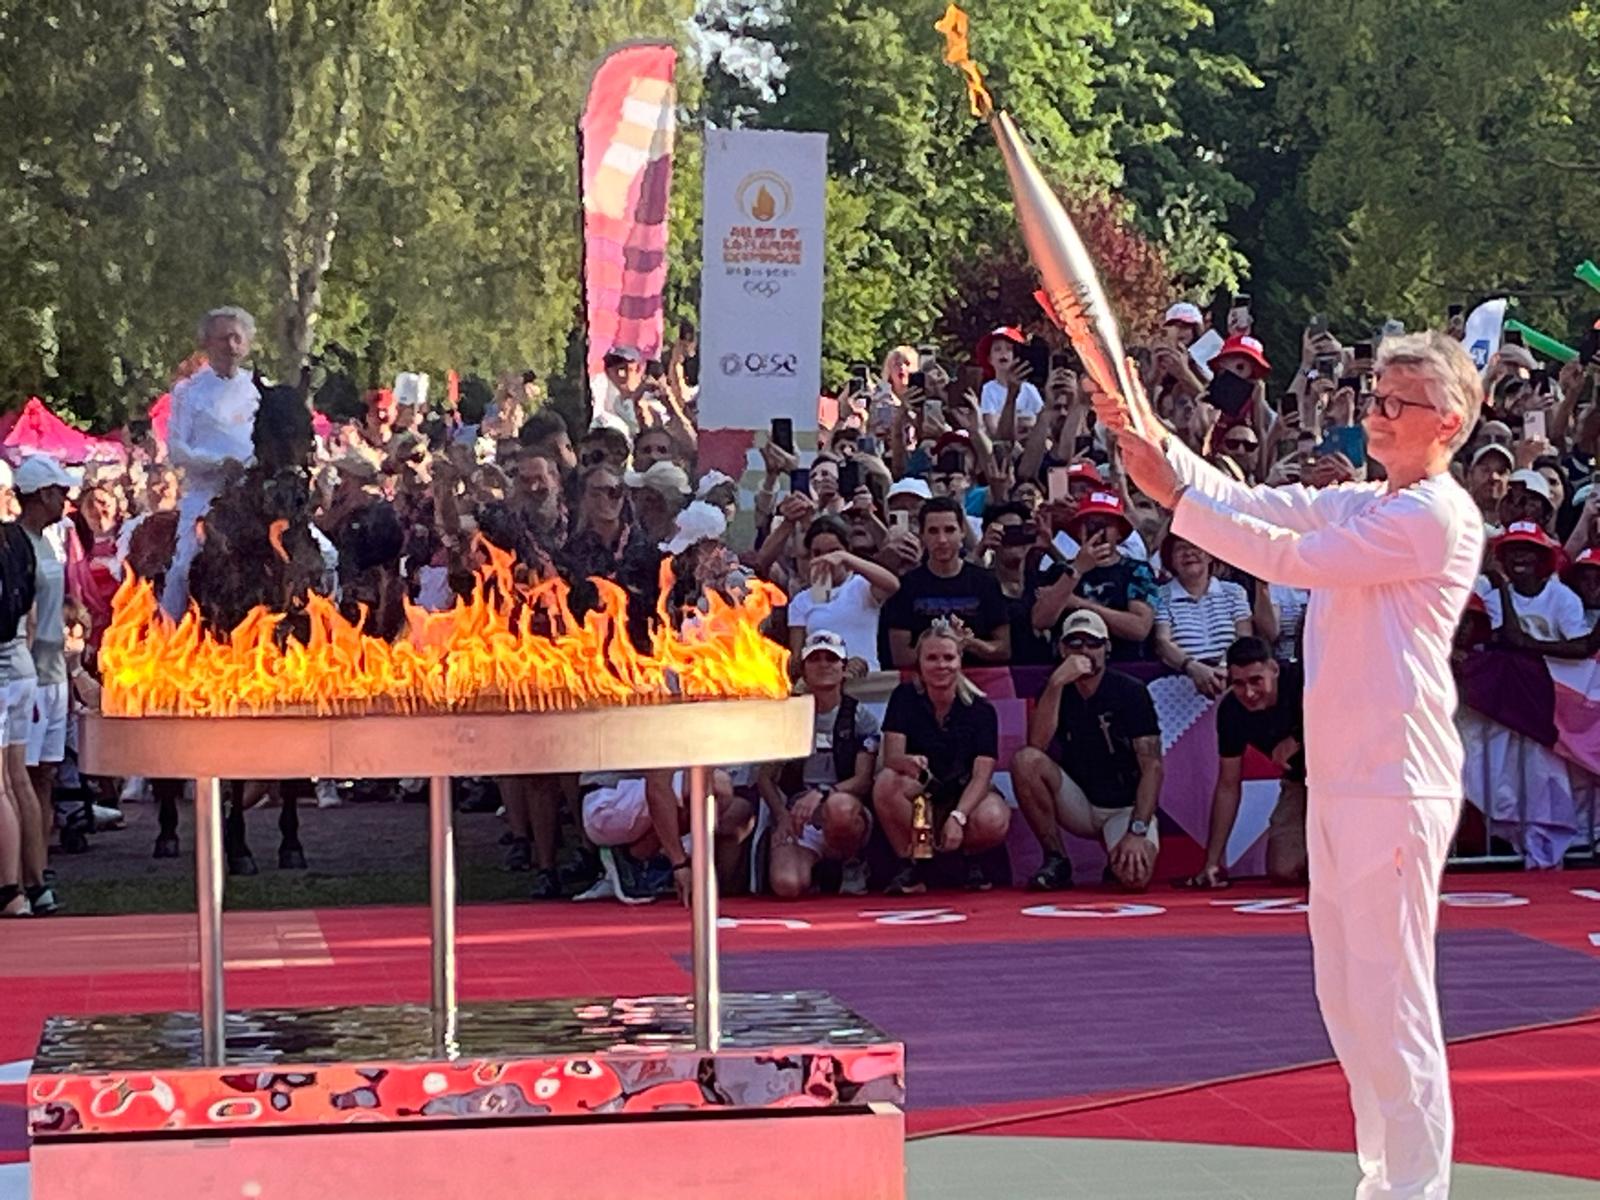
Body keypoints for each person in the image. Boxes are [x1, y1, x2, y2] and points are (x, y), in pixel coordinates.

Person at [1096, 329, 1485, 1200]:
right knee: (1348, 1001)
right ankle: (1381, 1178)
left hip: (1397, 781)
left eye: (1397, 402)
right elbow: (1261, 504)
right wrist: (1154, 444)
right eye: (1376, 396)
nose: (1377, 413)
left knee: (1392, 1000)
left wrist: (1177, 502)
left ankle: (1416, 1189)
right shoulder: (1366, 504)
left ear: (1448, 419)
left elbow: (1285, 557)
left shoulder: (1431, 517)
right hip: (1346, 783)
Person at [1012, 610, 1163, 892]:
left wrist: (1137, 830)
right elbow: (1037, 746)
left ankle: (1117, 855)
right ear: (1062, 648)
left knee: (1134, 879)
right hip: (1078, 801)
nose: (1084, 651)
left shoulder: (1131, 691)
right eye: (1075, 643)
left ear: (1107, 648)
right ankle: (1056, 858)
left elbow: (1152, 767)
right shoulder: (1054, 686)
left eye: (1093, 643)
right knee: (1026, 761)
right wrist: (1057, 683)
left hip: (1124, 807)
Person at [872, 622, 1010, 894]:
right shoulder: (904, 697)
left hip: (964, 793)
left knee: (993, 817)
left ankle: (970, 858)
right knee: (887, 783)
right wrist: (908, 762)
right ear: (920, 663)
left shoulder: (981, 708)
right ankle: (912, 862)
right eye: (932, 658)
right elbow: (892, 758)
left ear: (960, 661)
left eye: (948, 657)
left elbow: (982, 776)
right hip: (923, 792)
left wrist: (959, 816)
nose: (941, 665)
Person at [759, 631, 878, 898]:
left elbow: (862, 780)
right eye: (815, 659)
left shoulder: (860, 716)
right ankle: (816, 872)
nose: (824, 665)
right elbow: (765, 778)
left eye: (831, 659)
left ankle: (852, 862)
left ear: (843, 668)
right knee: (787, 885)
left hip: (842, 808)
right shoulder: (788, 717)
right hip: (798, 816)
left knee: (839, 808)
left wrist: (822, 792)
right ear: (804, 670)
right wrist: (782, 817)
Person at [1183, 636, 1309, 889]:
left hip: (1345, 780)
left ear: (1274, 669)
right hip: (1298, 782)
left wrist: (1298, 738)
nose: (1249, 693)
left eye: (1256, 681)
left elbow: (1352, 716)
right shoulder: (1231, 711)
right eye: (1238, 684)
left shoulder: (1303, 681)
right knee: (1283, 870)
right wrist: (1212, 861)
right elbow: (1228, 785)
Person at [162, 306, 261, 617]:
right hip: (207, 497)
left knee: (322, 555)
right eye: (222, 339)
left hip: (257, 497)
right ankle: (169, 634)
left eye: (236, 338)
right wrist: (220, 464)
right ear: (206, 343)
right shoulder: (188, 392)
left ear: (247, 343)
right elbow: (177, 449)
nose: (230, 346)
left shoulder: (260, 389)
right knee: (183, 568)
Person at [16, 456, 77, 893]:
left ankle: (39, 862)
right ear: (42, 495)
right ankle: (24, 872)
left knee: (45, 775)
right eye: (62, 492)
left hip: (56, 671)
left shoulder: (50, 541)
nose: (67, 500)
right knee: (23, 774)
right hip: (31, 674)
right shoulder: (17, 544)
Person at [879, 496, 1010, 667]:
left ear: (962, 532)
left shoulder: (986, 582)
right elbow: (901, 657)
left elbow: (1003, 649)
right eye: (933, 531)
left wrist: (970, 643)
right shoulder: (906, 586)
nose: (942, 540)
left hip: (980, 682)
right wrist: (938, 645)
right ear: (922, 535)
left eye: (949, 530)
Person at [786, 515, 900, 673]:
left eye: (833, 551)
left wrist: (845, 559)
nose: (826, 559)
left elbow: (892, 584)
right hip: (826, 681)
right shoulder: (801, 601)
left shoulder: (862, 586)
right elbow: (797, 658)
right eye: (818, 553)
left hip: (866, 681)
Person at [1152, 533, 1252, 698]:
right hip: (1180, 688)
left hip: (1231, 681)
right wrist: (1192, 667)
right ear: (1171, 559)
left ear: (1209, 555)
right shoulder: (1161, 595)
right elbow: (1162, 641)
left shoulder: (1234, 592)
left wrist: (1224, 667)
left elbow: (1244, 635)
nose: (1189, 553)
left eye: (1195, 546)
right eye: (1180, 548)